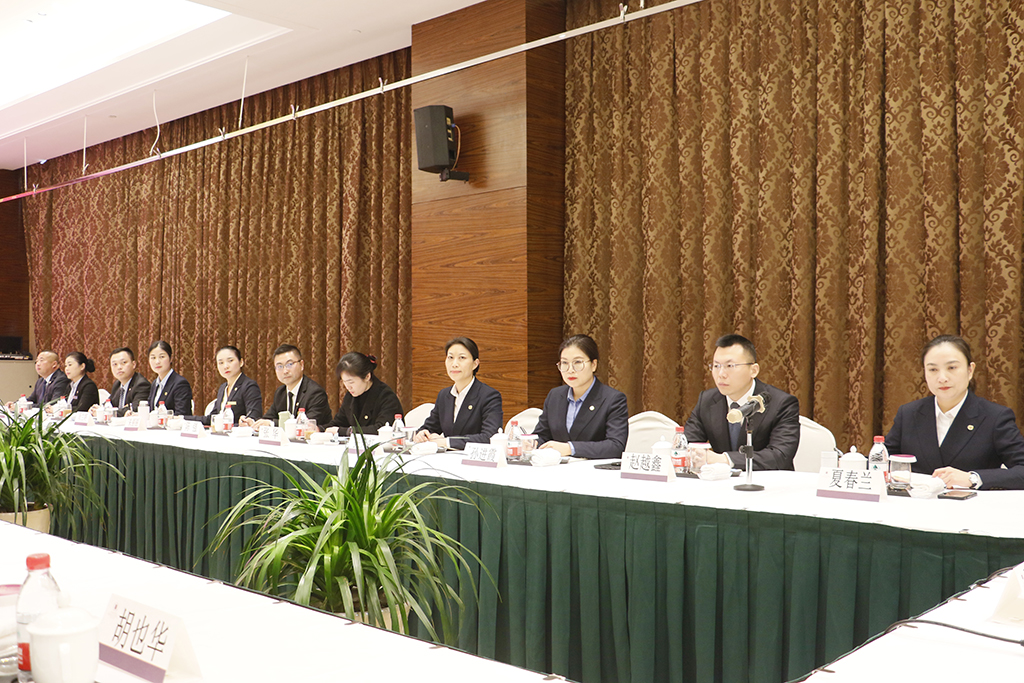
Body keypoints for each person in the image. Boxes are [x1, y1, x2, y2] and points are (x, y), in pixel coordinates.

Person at [884, 334, 1024, 490]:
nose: (942, 378)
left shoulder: (995, 417)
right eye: (933, 369)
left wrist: (972, 478)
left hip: (972, 504)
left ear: (970, 370)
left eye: (952, 368)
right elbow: (881, 462)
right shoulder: (909, 413)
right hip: (915, 503)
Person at [683, 334, 800, 470]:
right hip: (721, 481)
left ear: (753, 370)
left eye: (730, 366)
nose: (721, 374)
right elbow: (688, 443)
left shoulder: (781, 403)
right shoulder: (707, 400)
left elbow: (780, 456)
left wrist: (725, 459)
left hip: (766, 481)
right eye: (716, 366)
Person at [534, 334, 629, 459]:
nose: (570, 370)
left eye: (578, 362)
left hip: (593, 469)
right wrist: (530, 443)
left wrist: (570, 448)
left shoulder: (613, 399)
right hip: (557, 467)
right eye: (564, 363)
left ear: (593, 365)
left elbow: (615, 446)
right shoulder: (555, 396)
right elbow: (542, 436)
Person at [415, 337, 502, 449]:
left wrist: (446, 442)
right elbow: (429, 427)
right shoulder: (444, 395)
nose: (454, 364)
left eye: (462, 358)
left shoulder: (489, 396)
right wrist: (422, 434)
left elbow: (489, 437)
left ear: (475, 364)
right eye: (450, 357)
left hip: (473, 458)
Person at [242, 344, 332, 428]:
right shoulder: (281, 393)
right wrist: (253, 422)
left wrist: (271, 424)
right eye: (280, 366)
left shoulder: (315, 393)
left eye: (289, 364)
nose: (285, 371)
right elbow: (268, 418)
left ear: (301, 365)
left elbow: (305, 425)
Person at [323, 352, 404, 434]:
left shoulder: (386, 397)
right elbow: (339, 422)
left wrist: (345, 431)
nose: (348, 387)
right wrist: (320, 429)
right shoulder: (350, 396)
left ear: (367, 377)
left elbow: (380, 429)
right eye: (344, 382)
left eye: (351, 382)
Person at [189, 346, 262, 425]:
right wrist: (183, 418)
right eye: (221, 363)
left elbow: (253, 417)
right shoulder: (223, 387)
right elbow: (212, 418)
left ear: (241, 362)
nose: (225, 366)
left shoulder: (249, 386)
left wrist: (244, 423)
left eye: (230, 361)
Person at [144, 340, 193, 415]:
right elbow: (151, 410)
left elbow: (182, 414)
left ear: (171, 358)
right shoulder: (155, 383)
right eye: (153, 358)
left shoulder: (180, 383)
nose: (157, 361)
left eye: (162, 357)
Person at [104, 347, 151, 417]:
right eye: (115, 364)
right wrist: (99, 409)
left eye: (123, 362)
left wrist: (106, 412)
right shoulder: (117, 384)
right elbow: (109, 403)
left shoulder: (141, 384)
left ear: (134, 364)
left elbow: (134, 409)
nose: (119, 367)